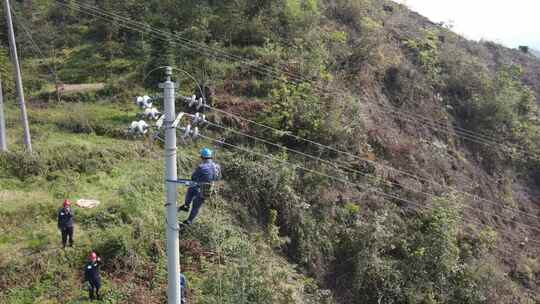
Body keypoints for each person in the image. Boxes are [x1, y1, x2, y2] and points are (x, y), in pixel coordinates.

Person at [178, 147, 221, 226]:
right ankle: (189, 221)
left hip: (200, 188)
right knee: (196, 206)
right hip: (209, 190)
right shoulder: (217, 166)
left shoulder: (201, 167)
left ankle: (186, 206)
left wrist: (200, 179)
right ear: (211, 157)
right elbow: (218, 178)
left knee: (191, 189)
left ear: (202, 157)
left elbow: (193, 178)